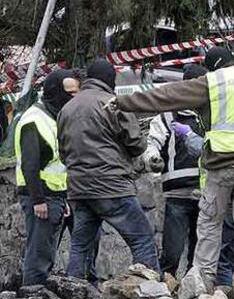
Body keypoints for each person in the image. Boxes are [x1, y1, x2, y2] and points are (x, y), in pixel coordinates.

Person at [108, 46, 234, 299]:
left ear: (213, 67)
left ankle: (202, 286)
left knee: (210, 224)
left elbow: (168, 96)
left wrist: (124, 102)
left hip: (221, 164)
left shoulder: (215, 81)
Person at [57, 58, 160, 279]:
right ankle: (154, 297)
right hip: (113, 188)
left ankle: (72, 295)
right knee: (141, 239)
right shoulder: (112, 103)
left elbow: (63, 153)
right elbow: (137, 144)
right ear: (109, 79)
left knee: (80, 247)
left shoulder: (66, 109)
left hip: (80, 190)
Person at [143, 63, 234, 289]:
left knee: (200, 249)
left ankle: (193, 291)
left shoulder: (213, 115)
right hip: (177, 192)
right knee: (172, 250)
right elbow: (153, 141)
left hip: (207, 191)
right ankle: (166, 287)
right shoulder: (168, 114)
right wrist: (152, 158)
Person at [15, 68, 79, 285]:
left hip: (56, 197)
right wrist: (39, 200)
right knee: (39, 256)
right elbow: (30, 165)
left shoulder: (52, 118)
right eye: (70, 93)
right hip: (41, 197)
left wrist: (64, 197)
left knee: (47, 254)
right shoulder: (34, 120)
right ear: (55, 92)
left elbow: (57, 164)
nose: (74, 98)